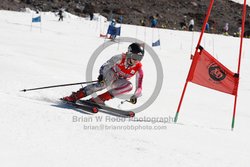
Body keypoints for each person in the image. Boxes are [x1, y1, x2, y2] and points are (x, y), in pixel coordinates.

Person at [62, 43, 144, 105]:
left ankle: (98, 99)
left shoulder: (138, 68)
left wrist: (135, 95)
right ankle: (75, 96)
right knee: (104, 85)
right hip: (110, 74)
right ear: (129, 54)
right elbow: (105, 66)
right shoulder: (119, 58)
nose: (136, 61)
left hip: (118, 80)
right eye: (135, 57)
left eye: (139, 58)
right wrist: (102, 75)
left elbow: (139, 86)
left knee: (129, 86)